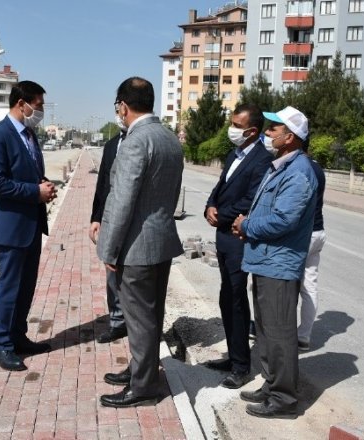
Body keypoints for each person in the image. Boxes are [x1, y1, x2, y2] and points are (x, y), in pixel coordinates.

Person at [96, 77, 184, 408]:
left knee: (139, 318)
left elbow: (121, 200)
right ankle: (140, 369)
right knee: (151, 316)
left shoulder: (135, 141)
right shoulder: (169, 139)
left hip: (136, 247)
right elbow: (171, 194)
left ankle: (144, 386)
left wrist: (108, 248)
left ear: (122, 105)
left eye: (117, 106)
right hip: (160, 241)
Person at [231, 106, 318, 419]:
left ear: (290, 137)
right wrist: (248, 221)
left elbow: (284, 220)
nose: (267, 133)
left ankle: (283, 399)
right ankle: (272, 385)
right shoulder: (281, 165)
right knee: (266, 331)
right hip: (266, 261)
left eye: (273, 129)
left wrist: (246, 226)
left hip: (280, 264)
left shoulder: (299, 172)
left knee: (280, 334)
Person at [0, 80, 57, 372]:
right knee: (9, 287)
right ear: (21, 103)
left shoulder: (29, 135)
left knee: (26, 287)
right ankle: (1, 347)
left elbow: (28, 173)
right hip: (10, 228)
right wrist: (34, 192)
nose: (40, 111)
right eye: (37, 105)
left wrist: (44, 184)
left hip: (31, 225)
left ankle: (17, 336)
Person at [202, 104, 273, 389]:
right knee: (226, 298)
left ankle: (242, 366)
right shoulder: (234, 154)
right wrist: (209, 206)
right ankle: (233, 356)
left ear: (252, 131)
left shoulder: (261, 159)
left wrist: (223, 214)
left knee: (236, 298)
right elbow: (220, 187)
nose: (231, 129)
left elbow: (251, 201)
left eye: (236, 125)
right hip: (222, 236)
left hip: (237, 238)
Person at [89, 128, 128, 344]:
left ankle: (134, 324)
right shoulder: (112, 144)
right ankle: (117, 322)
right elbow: (103, 183)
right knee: (111, 273)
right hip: (110, 219)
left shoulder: (142, 140)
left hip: (134, 222)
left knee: (132, 276)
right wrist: (96, 217)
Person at [298, 138, 326, 352]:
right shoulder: (317, 168)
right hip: (318, 232)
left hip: (304, 235)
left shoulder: (302, 168)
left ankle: (280, 333)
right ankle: (304, 336)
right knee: (309, 286)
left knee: (285, 286)